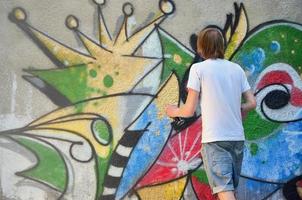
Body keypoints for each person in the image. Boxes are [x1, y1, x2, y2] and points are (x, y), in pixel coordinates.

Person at [166, 28, 256, 200]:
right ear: (221, 45)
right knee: (228, 189)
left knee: (224, 190)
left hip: (215, 139)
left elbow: (189, 110)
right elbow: (252, 103)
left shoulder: (198, 69)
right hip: (237, 138)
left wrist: (173, 111)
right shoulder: (236, 69)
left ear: (200, 47)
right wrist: (240, 109)